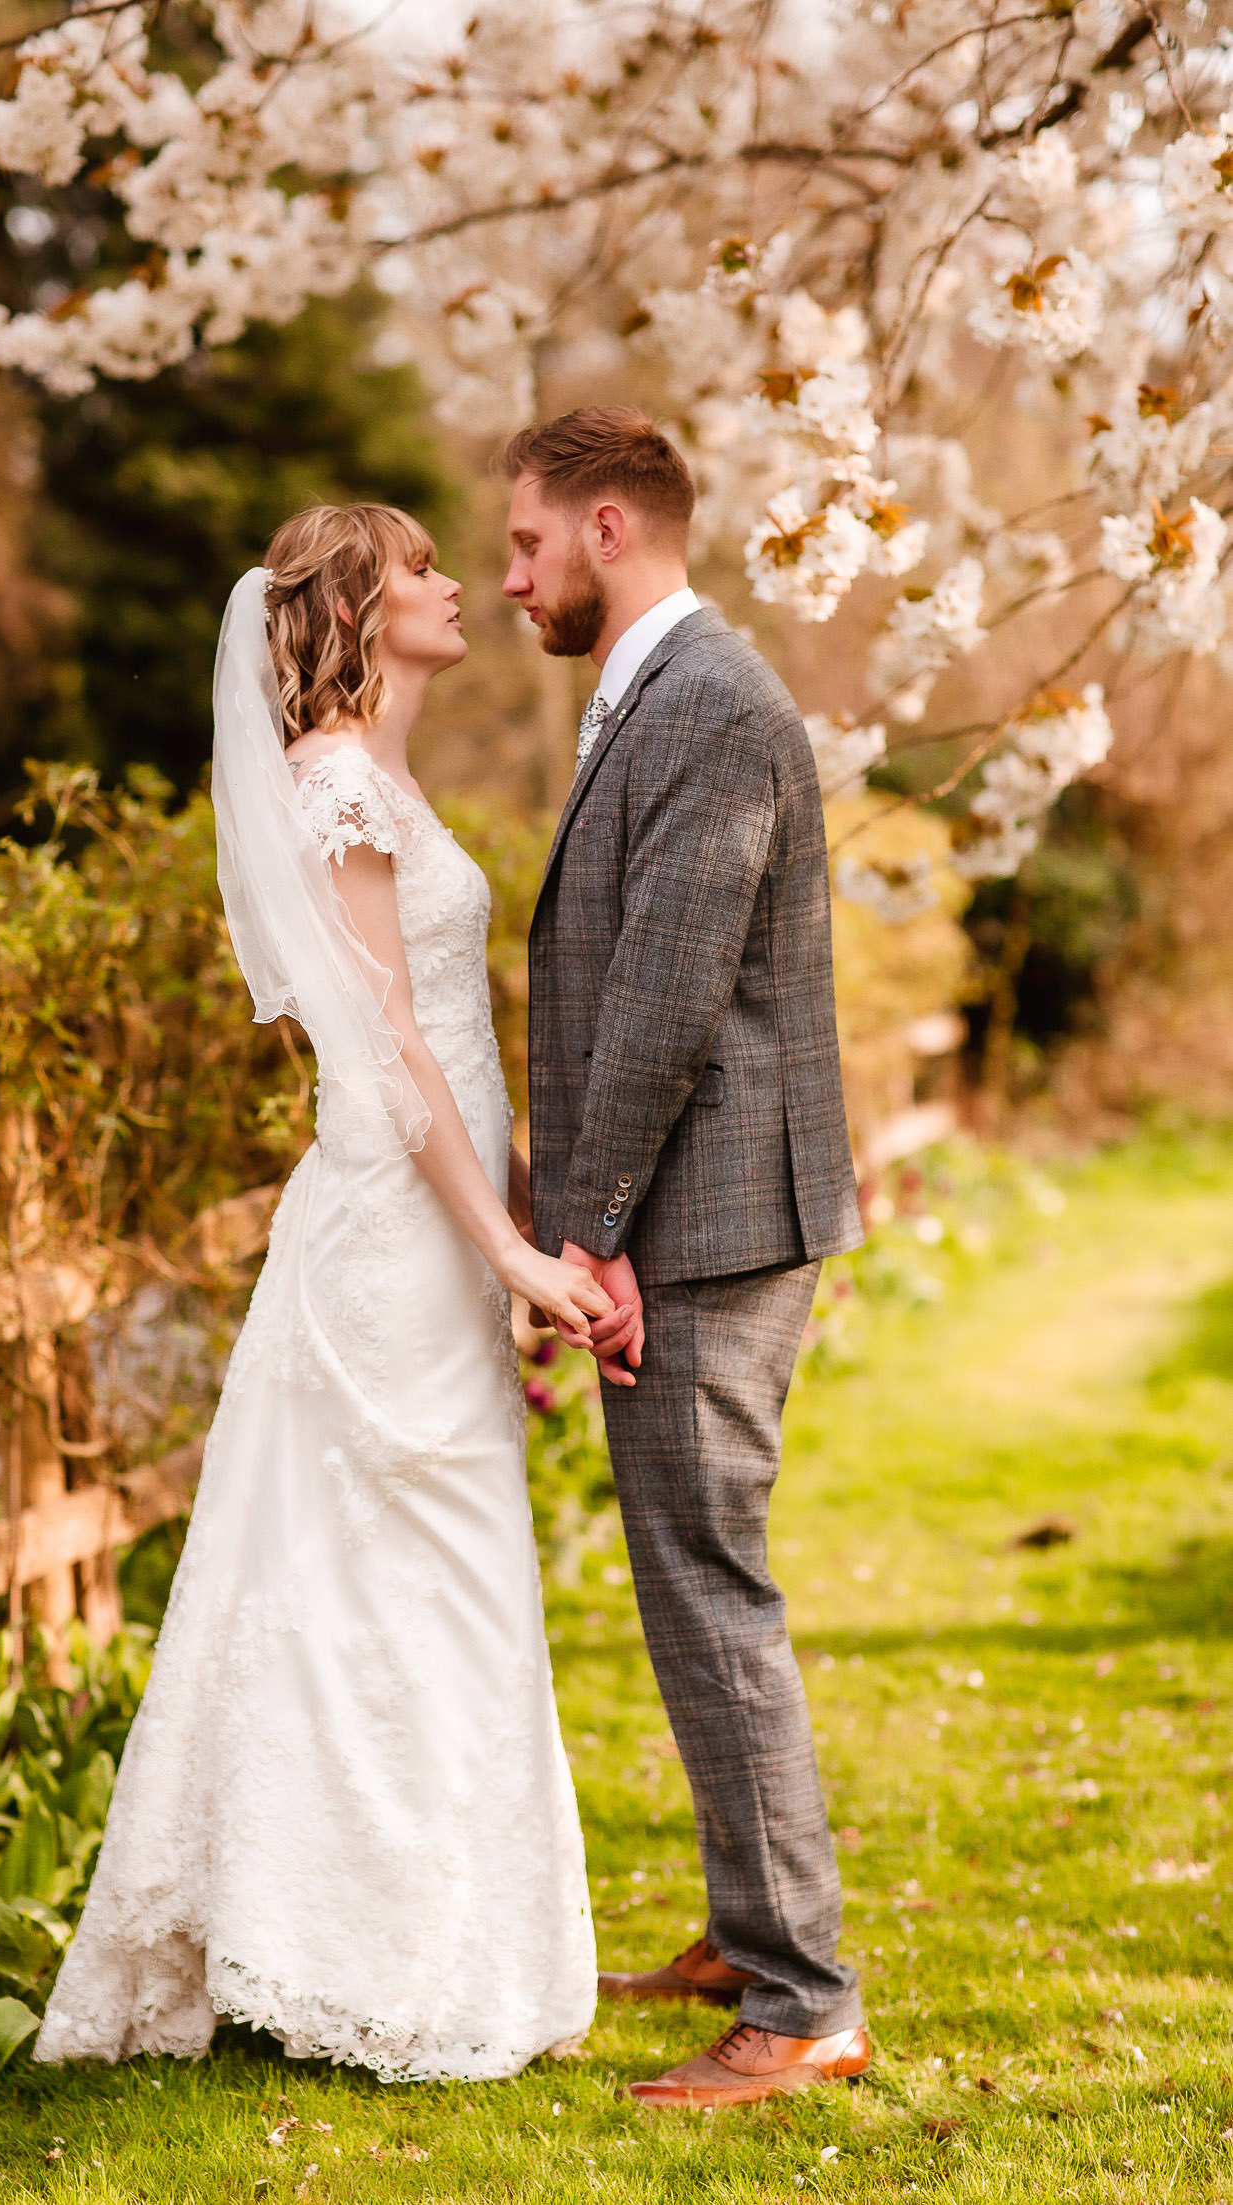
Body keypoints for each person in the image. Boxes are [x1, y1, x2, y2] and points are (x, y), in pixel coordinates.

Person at [36, 503, 611, 2080]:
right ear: (364, 608)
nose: (457, 586)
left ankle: (408, 1931)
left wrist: (511, 1222)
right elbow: (387, 1047)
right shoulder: (338, 781)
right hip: (389, 1220)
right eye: (426, 569)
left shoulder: (390, 779)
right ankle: (357, 1950)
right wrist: (505, 1251)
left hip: (441, 1213)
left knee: (425, 1561)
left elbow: (453, 1040)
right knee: (397, 1561)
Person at [503, 406, 870, 2109]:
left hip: (708, 1232)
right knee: (685, 1580)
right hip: (685, 1219)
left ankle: (801, 1999)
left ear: (605, 529)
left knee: (712, 1585)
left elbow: (659, 1001)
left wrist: (587, 1239)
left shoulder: (712, 703)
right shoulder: (659, 691)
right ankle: (750, 1928)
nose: (508, 575)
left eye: (521, 542)